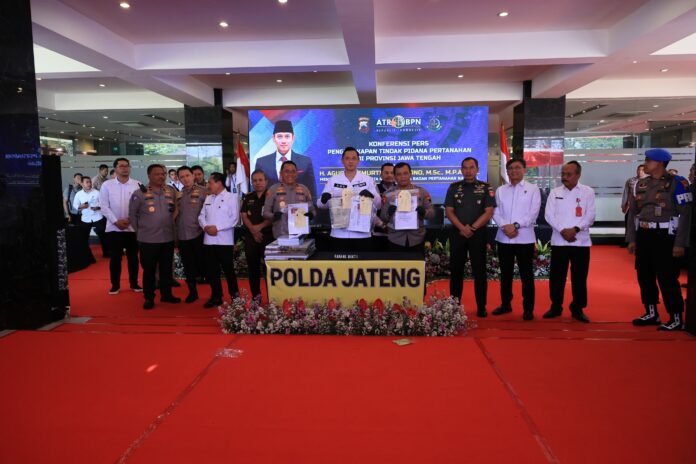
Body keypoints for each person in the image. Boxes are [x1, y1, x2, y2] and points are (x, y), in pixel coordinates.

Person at [626, 149, 692, 331]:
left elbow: (685, 215)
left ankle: (676, 317)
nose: (645, 163)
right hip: (644, 234)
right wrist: (632, 238)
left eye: (649, 160)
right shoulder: (640, 183)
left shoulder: (677, 183)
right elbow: (633, 213)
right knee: (644, 275)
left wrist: (680, 243)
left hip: (665, 236)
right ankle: (651, 312)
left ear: (661, 163)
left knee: (667, 277)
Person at [543, 161, 596, 323]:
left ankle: (577, 308)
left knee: (579, 277)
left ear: (578, 175)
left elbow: (590, 216)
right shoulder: (555, 192)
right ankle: (556, 307)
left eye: (568, 174)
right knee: (557, 277)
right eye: (563, 174)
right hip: (559, 241)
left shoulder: (588, 192)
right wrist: (563, 230)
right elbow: (548, 215)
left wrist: (575, 229)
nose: (564, 177)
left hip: (580, 241)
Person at [445, 157, 495, 317]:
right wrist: (462, 228)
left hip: (478, 234)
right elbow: (449, 211)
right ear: (461, 170)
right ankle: (454, 306)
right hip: (458, 233)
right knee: (456, 271)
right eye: (465, 168)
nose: (468, 171)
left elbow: (489, 211)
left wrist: (472, 228)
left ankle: (481, 306)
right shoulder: (453, 187)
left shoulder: (486, 187)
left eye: (471, 167)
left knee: (479, 271)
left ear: (477, 169)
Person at [491, 158, 541, 320]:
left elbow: (533, 213)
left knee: (526, 275)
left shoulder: (533, 189)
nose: (514, 171)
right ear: (507, 171)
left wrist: (516, 226)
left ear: (524, 170)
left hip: (524, 239)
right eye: (511, 168)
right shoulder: (500, 190)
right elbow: (495, 212)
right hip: (504, 238)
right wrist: (504, 226)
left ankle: (528, 309)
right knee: (505, 274)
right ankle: (506, 304)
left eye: (518, 168)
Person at [129, 164, 181, 310]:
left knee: (166, 269)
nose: (161, 176)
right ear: (149, 176)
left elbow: (175, 209)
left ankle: (167, 295)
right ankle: (149, 298)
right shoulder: (139, 193)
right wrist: (140, 232)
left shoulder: (170, 191)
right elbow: (132, 215)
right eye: (157, 174)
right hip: (148, 239)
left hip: (167, 237)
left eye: (163, 174)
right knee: (149, 270)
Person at [316, 147, 381, 252]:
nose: (350, 161)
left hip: (362, 234)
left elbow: (378, 205)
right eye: (347, 158)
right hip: (339, 234)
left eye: (353, 158)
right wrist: (324, 200)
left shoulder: (368, 180)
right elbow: (320, 205)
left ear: (358, 161)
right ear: (342, 161)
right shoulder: (333, 180)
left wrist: (372, 196)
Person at [99, 158, 143, 295]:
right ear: (115, 169)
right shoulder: (107, 185)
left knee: (133, 258)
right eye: (121, 166)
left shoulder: (138, 184)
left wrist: (130, 220)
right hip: (114, 228)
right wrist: (116, 221)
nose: (125, 168)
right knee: (115, 258)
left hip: (132, 228)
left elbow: (141, 206)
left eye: (127, 166)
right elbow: (104, 206)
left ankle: (134, 283)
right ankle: (115, 285)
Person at [198, 172, 240, 308]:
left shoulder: (231, 197)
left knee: (229, 271)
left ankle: (235, 298)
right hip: (208, 241)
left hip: (224, 241)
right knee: (212, 271)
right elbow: (201, 216)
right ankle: (216, 297)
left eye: (210, 182)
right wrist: (205, 227)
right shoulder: (208, 198)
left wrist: (217, 228)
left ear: (219, 183)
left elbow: (234, 219)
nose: (208, 185)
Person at [380, 162, 434, 254]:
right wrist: (389, 213)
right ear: (395, 177)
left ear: (410, 174)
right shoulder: (388, 194)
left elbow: (432, 214)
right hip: (395, 240)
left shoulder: (422, 192)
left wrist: (424, 212)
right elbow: (383, 217)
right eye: (399, 174)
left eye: (405, 173)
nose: (402, 177)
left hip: (417, 239)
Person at [254, 120, 316, 199]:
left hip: (298, 204)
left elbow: (312, 191)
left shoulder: (305, 162)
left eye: (287, 136)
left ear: (293, 138)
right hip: (270, 205)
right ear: (273, 138)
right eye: (280, 137)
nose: (283, 141)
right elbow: (257, 190)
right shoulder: (262, 162)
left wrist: (313, 205)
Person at [175, 166, 207, 303]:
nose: (185, 179)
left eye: (187, 175)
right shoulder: (178, 194)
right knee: (188, 266)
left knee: (205, 264)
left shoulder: (204, 191)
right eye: (182, 177)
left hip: (200, 234)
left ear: (193, 176)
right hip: (183, 235)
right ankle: (192, 292)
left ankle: (215, 293)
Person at [241, 169, 274, 300]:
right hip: (251, 238)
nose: (258, 183)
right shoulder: (248, 197)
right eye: (254, 180)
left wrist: (258, 228)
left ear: (266, 181)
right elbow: (244, 215)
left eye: (260, 180)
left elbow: (274, 217)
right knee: (252, 269)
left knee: (269, 270)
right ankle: (256, 298)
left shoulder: (272, 196)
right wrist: (253, 230)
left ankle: (272, 299)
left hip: (268, 237)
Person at [263, 160, 316, 239]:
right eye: (287, 171)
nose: (290, 174)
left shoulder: (304, 189)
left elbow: (313, 210)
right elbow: (265, 213)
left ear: (297, 174)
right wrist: (274, 216)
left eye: (293, 171)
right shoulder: (273, 190)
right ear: (281, 173)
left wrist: (311, 215)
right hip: (281, 235)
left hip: (302, 235)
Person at [73, 176, 107, 258]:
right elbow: (75, 205)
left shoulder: (97, 192)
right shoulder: (78, 194)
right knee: (83, 238)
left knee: (104, 236)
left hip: (98, 216)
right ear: (82, 184)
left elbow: (104, 203)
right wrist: (80, 206)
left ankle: (107, 253)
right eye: (87, 182)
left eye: (90, 182)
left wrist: (98, 207)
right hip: (86, 218)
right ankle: (88, 256)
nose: (89, 184)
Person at [373, 162, 395, 249]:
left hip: (396, 235)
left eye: (392, 173)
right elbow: (370, 211)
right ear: (381, 175)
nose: (389, 175)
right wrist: (382, 225)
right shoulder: (374, 189)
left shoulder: (400, 190)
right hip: (378, 234)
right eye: (386, 173)